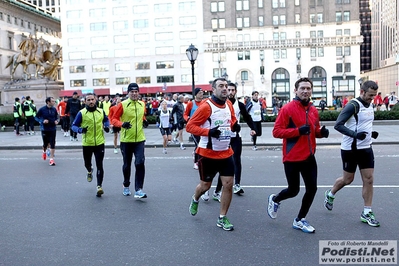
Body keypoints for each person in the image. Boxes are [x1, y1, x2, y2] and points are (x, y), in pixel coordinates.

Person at [267, 77, 330, 233]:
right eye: (302, 88)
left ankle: (300, 219)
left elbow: (314, 131)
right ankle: (275, 199)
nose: (305, 91)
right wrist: (297, 131)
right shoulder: (287, 109)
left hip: (309, 156)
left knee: (312, 189)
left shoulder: (313, 110)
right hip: (292, 157)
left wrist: (321, 133)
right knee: (293, 190)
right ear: (295, 90)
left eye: (308, 88)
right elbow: (276, 132)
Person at [186, 77, 240, 231]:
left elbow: (232, 120)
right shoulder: (205, 107)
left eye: (226, 86)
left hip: (226, 152)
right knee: (205, 186)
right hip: (207, 154)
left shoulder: (229, 104)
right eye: (221, 86)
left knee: (228, 185)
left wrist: (235, 126)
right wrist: (209, 132)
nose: (225, 89)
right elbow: (190, 126)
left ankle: (222, 218)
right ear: (213, 90)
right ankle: (195, 198)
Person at [324, 80, 380, 227]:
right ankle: (330, 194)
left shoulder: (370, 104)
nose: (372, 98)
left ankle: (367, 212)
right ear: (362, 92)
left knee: (369, 179)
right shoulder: (353, 105)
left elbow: (363, 124)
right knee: (348, 179)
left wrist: (370, 133)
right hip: (350, 149)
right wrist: (355, 135)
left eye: (374, 96)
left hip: (366, 147)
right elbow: (338, 125)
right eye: (369, 95)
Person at [212, 82, 256, 200]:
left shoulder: (239, 105)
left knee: (236, 160)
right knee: (221, 163)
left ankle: (237, 184)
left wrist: (252, 128)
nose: (230, 92)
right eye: (229, 89)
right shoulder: (221, 104)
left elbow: (247, 117)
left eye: (232, 90)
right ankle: (215, 189)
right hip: (222, 137)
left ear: (235, 91)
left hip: (235, 136)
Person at [111, 83, 149, 198]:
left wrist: (144, 120)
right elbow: (113, 119)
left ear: (138, 92)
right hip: (126, 140)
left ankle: (139, 189)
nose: (134, 94)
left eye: (136, 91)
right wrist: (122, 124)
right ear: (128, 93)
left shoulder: (142, 104)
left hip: (139, 139)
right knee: (127, 164)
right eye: (132, 92)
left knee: (140, 162)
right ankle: (126, 185)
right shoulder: (122, 104)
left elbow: (141, 116)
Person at [72, 93, 110, 197]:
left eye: (92, 99)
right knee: (87, 163)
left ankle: (99, 186)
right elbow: (74, 126)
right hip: (87, 143)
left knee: (100, 165)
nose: (91, 102)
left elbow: (106, 119)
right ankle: (89, 170)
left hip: (99, 143)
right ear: (85, 101)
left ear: (96, 100)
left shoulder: (101, 111)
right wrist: (80, 130)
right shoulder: (82, 113)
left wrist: (106, 126)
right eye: (88, 100)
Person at [184, 87, 205, 170]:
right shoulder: (191, 104)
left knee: (202, 144)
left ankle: (198, 157)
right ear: (195, 94)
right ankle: (196, 162)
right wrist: (188, 119)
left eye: (202, 93)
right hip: (194, 127)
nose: (202, 94)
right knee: (198, 144)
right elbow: (185, 114)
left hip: (203, 127)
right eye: (200, 93)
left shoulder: (204, 103)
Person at [35, 97, 59, 166]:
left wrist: (57, 121)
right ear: (48, 102)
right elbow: (36, 117)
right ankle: (44, 151)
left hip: (53, 128)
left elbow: (57, 117)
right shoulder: (42, 109)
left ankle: (51, 159)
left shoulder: (54, 109)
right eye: (52, 101)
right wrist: (42, 121)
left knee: (52, 143)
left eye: (54, 101)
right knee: (45, 143)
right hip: (44, 129)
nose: (54, 102)